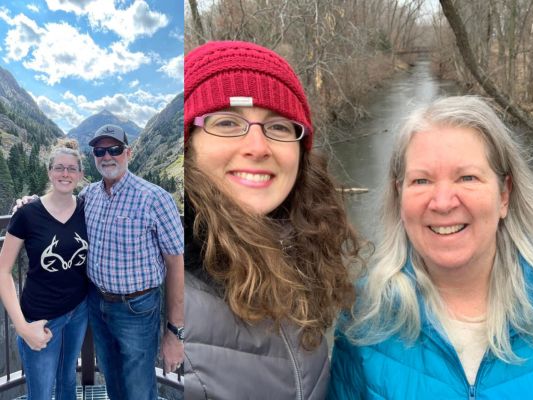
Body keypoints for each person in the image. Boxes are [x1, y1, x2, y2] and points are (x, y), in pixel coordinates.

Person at [328, 96, 533, 399]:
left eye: (467, 177)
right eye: (421, 181)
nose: (443, 202)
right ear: (399, 196)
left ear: (504, 195)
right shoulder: (363, 319)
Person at [184, 40, 365, 399]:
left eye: (279, 126)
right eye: (227, 121)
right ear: (186, 143)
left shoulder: (298, 256)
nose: (258, 146)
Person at [82, 124, 184, 400]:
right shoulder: (88, 196)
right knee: (112, 379)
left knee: (139, 388)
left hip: (137, 309)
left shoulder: (155, 198)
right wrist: (30, 204)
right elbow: (58, 210)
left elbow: (176, 265)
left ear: (128, 153)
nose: (107, 156)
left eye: (114, 149)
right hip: (97, 301)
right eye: (99, 150)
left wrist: (174, 332)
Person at [0, 139, 89, 400]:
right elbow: (3, 270)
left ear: (81, 175)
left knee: (67, 382)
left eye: (72, 169)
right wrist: (22, 327)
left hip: (78, 311)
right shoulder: (27, 213)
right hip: (40, 318)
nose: (65, 174)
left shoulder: (87, 208)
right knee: (39, 393)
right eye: (59, 167)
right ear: (49, 172)